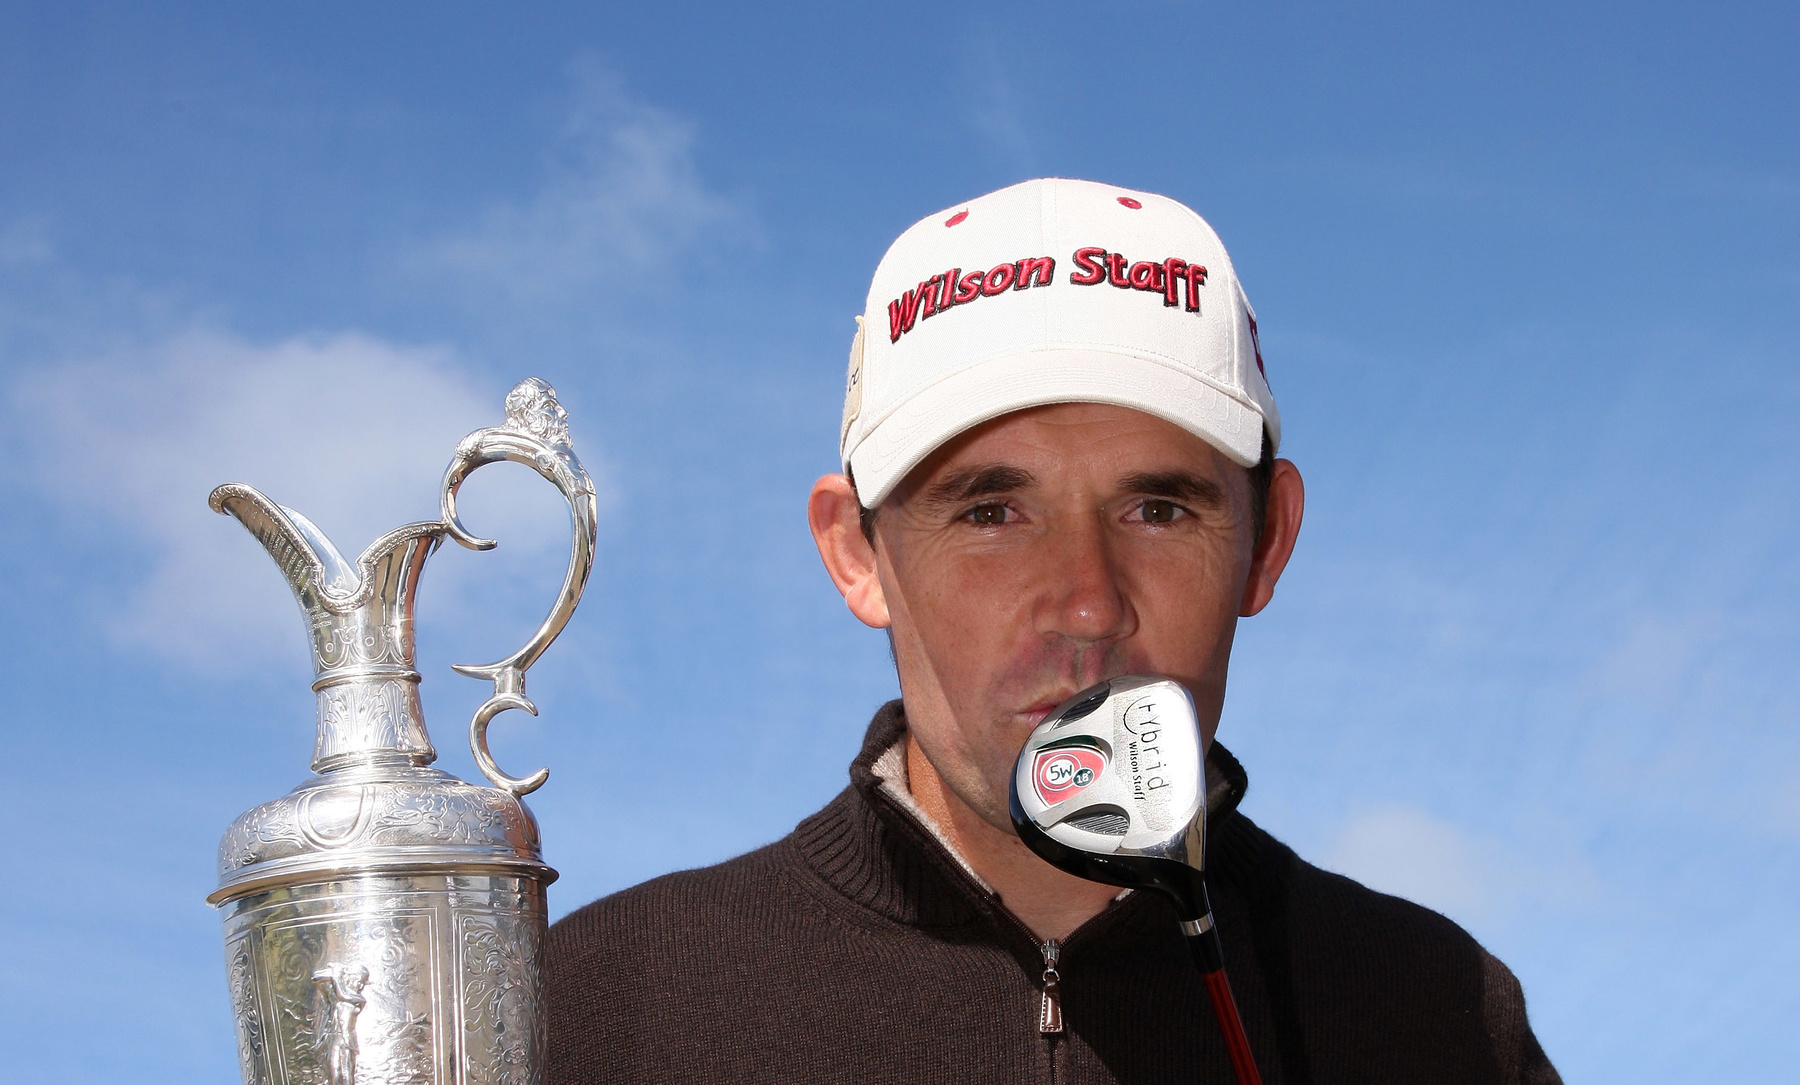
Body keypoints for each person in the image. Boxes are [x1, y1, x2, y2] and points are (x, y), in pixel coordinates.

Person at [546, 178, 1560, 1084]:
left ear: (1266, 545)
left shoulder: (1441, 1010)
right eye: (991, 511)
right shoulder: (601, 1003)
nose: (1086, 602)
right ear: (857, 554)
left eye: (1158, 510)